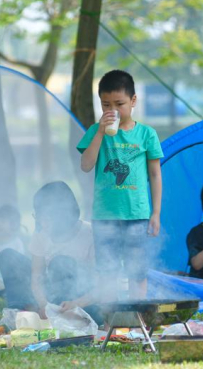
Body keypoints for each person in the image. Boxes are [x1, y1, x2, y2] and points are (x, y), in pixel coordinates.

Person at [78, 70, 163, 300]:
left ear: (133, 101)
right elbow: (86, 165)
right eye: (106, 105)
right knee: (107, 272)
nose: (112, 110)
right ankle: (110, 322)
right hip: (104, 215)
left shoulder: (146, 134)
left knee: (137, 272)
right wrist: (99, 133)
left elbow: (155, 175)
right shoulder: (97, 132)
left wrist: (155, 213)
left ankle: (137, 320)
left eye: (119, 104)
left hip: (137, 215)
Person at [0, 181, 99, 322]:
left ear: (61, 216)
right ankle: (21, 314)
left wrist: (76, 303)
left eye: (46, 218)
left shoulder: (90, 234)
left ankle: (60, 316)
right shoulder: (41, 233)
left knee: (60, 263)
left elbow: (102, 286)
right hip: (51, 294)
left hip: (83, 302)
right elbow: (37, 276)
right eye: (38, 217)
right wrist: (44, 304)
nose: (41, 223)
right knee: (8, 256)